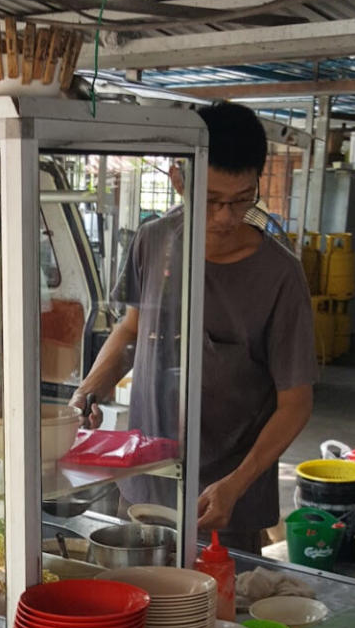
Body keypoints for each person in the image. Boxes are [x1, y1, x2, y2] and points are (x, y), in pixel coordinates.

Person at [71, 102, 317, 554]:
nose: (226, 216)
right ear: (179, 179)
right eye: (212, 199)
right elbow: (131, 332)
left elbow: (296, 403)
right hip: (143, 483)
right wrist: (87, 391)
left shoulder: (280, 277)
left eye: (242, 199)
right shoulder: (155, 240)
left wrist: (238, 483)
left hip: (224, 502)